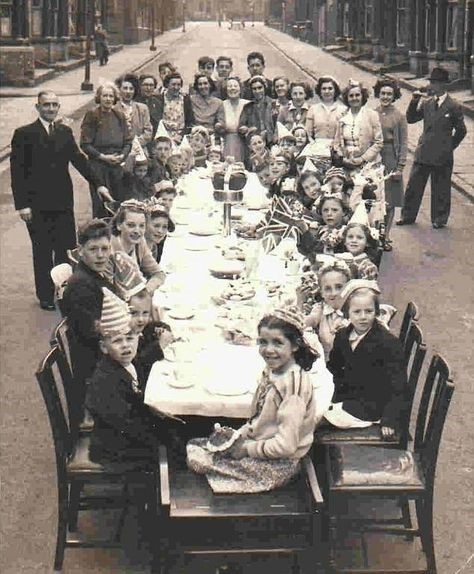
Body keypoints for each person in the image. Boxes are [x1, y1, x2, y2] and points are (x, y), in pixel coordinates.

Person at [186, 307, 334, 493]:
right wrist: (238, 436)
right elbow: (258, 418)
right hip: (262, 444)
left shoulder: (293, 387)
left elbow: (286, 446)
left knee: (198, 459)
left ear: (295, 345)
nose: (268, 350)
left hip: (279, 464)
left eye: (278, 343)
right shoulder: (273, 371)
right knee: (196, 446)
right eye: (263, 342)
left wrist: (246, 449)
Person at [10, 90, 112, 309]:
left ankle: (64, 291)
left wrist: (99, 184)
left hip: (63, 203)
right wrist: (23, 205)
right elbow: (17, 172)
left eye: (55, 105)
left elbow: (79, 160)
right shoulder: (24, 134)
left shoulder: (64, 132)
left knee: (65, 249)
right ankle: (46, 295)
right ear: (38, 107)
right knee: (43, 251)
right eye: (46, 105)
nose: (51, 109)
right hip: (37, 207)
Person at [85, 287, 173, 464]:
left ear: (138, 338)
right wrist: (160, 430)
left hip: (126, 433)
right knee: (174, 442)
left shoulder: (124, 363)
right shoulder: (105, 380)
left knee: (175, 427)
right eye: (117, 340)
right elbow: (126, 424)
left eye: (130, 339)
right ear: (103, 347)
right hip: (115, 450)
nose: (126, 346)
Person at [326, 281, 406, 438]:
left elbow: (399, 386)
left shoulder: (388, 343)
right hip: (345, 396)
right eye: (357, 312)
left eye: (368, 311)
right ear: (347, 313)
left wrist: (389, 420)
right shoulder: (342, 336)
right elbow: (334, 366)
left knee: (315, 422)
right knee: (309, 408)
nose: (363, 317)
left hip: (371, 406)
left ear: (376, 312)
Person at [397, 67, 467, 228]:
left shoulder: (453, 106)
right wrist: (414, 100)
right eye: (431, 82)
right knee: (414, 186)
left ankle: (439, 218)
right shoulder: (427, 103)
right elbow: (411, 118)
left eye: (434, 82)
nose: (431, 85)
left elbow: (462, 130)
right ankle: (407, 216)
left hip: (443, 154)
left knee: (441, 187)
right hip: (424, 150)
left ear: (443, 85)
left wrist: (449, 146)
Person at [80, 82, 133, 217]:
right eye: (105, 96)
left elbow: (128, 141)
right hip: (98, 167)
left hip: (116, 166)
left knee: (118, 204)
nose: (108, 99)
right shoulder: (92, 115)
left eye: (111, 96)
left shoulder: (119, 115)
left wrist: (122, 156)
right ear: (99, 97)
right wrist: (103, 157)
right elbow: (85, 144)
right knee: (101, 205)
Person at [373, 78, 407, 250]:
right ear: (378, 94)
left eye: (389, 94)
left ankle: (385, 236)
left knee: (390, 201)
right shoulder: (372, 113)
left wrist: (400, 167)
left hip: (390, 158)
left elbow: (403, 143)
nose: (385, 97)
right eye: (383, 93)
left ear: (394, 96)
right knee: (375, 199)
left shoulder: (399, 116)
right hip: (374, 158)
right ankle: (374, 236)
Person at [110, 200, 165, 293]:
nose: (137, 231)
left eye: (142, 226)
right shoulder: (109, 249)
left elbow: (159, 273)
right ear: (119, 225)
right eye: (131, 225)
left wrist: (146, 291)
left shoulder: (140, 243)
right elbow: (107, 290)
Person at [302, 259, 352, 360]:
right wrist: (300, 301)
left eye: (339, 287)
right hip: (327, 365)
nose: (334, 293)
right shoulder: (321, 309)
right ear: (321, 292)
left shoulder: (356, 310)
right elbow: (304, 323)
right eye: (328, 289)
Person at [333, 81, 383, 171]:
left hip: (368, 163)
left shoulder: (372, 115)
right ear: (346, 98)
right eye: (351, 96)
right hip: (346, 163)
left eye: (357, 95)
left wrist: (362, 159)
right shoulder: (342, 117)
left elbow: (378, 142)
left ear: (362, 96)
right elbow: (337, 142)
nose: (354, 98)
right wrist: (343, 158)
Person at [153, 72, 195, 143]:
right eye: (173, 84)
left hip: (181, 136)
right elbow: (156, 121)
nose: (176, 87)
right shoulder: (159, 99)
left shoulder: (185, 99)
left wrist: (181, 136)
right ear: (167, 85)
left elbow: (190, 122)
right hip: (163, 135)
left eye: (178, 85)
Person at [306, 76, 346, 141]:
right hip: (317, 146)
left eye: (330, 88)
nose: (327, 91)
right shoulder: (313, 109)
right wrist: (314, 145)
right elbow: (308, 134)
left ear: (335, 91)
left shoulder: (343, 110)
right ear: (320, 91)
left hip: (337, 146)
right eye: (324, 89)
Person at [219, 76, 249, 163]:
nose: (232, 88)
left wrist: (247, 128)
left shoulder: (247, 104)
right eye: (230, 86)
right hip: (227, 141)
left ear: (240, 89)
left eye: (235, 86)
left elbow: (253, 123)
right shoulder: (222, 104)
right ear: (226, 89)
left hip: (245, 141)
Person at [239, 76, 275, 147]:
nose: (257, 91)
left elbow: (278, 124)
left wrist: (268, 132)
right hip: (254, 143)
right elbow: (241, 125)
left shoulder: (273, 104)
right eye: (254, 89)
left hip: (272, 142)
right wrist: (246, 129)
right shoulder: (248, 107)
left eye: (260, 88)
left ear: (265, 87)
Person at [137, 74, 162, 138]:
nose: (148, 88)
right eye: (145, 85)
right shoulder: (135, 102)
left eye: (151, 85)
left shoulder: (158, 102)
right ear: (140, 86)